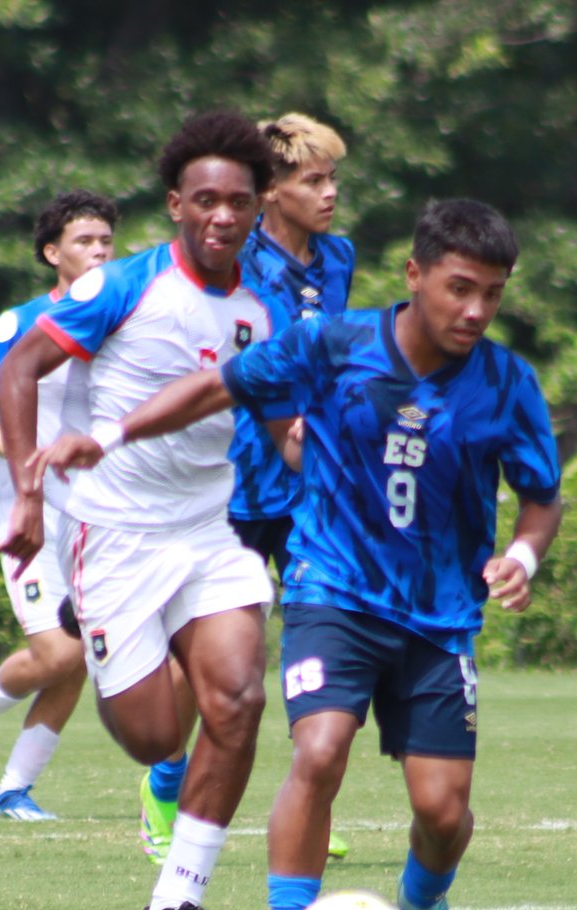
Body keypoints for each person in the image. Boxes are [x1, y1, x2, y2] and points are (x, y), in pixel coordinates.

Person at [38, 198, 563, 910]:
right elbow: (216, 385)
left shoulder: (506, 383)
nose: (476, 310)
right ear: (415, 274)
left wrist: (522, 555)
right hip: (333, 589)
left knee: (443, 811)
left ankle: (423, 903)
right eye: (461, 287)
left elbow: (541, 497)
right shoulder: (334, 343)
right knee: (318, 752)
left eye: (493, 294)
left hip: (440, 614)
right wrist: (111, 438)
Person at [0, 111, 279, 910]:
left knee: (241, 698)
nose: (222, 216)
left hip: (211, 531)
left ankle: (174, 899)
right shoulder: (121, 285)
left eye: (238, 202)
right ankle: (117, 637)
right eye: (205, 201)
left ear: (258, 208)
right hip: (115, 531)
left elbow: (288, 419)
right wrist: (28, 493)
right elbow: (19, 369)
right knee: (159, 734)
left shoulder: (265, 312)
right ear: (175, 206)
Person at [0, 190, 117, 820]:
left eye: (105, 242)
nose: (98, 252)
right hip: (29, 512)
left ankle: (12, 789)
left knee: (80, 659)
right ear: (52, 254)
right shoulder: (19, 324)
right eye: (83, 242)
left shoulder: (123, 319)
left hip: (99, 515)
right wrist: (27, 468)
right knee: (58, 654)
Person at [218, 112, 359, 865]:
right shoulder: (241, 265)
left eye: (333, 178)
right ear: (271, 191)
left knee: (322, 640)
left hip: (313, 483)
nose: (330, 192)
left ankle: (313, 805)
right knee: (228, 671)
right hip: (243, 481)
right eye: (314, 180)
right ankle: (169, 782)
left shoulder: (339, 259)